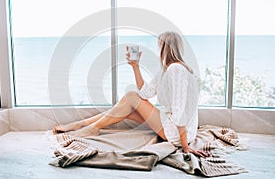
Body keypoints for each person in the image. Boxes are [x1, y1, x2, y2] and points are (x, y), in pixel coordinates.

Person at [54, 31, 208, 157]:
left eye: (159, 45)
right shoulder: (166, 70)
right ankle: (83, 125)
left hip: (177, 132)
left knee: (130, 97)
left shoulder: (176, 70)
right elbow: (145, 93)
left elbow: (180, 112)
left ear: (164, 48)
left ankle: (90, 127)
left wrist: (185, 146)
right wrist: (135, 66)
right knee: (127, 106)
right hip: (172, 123)